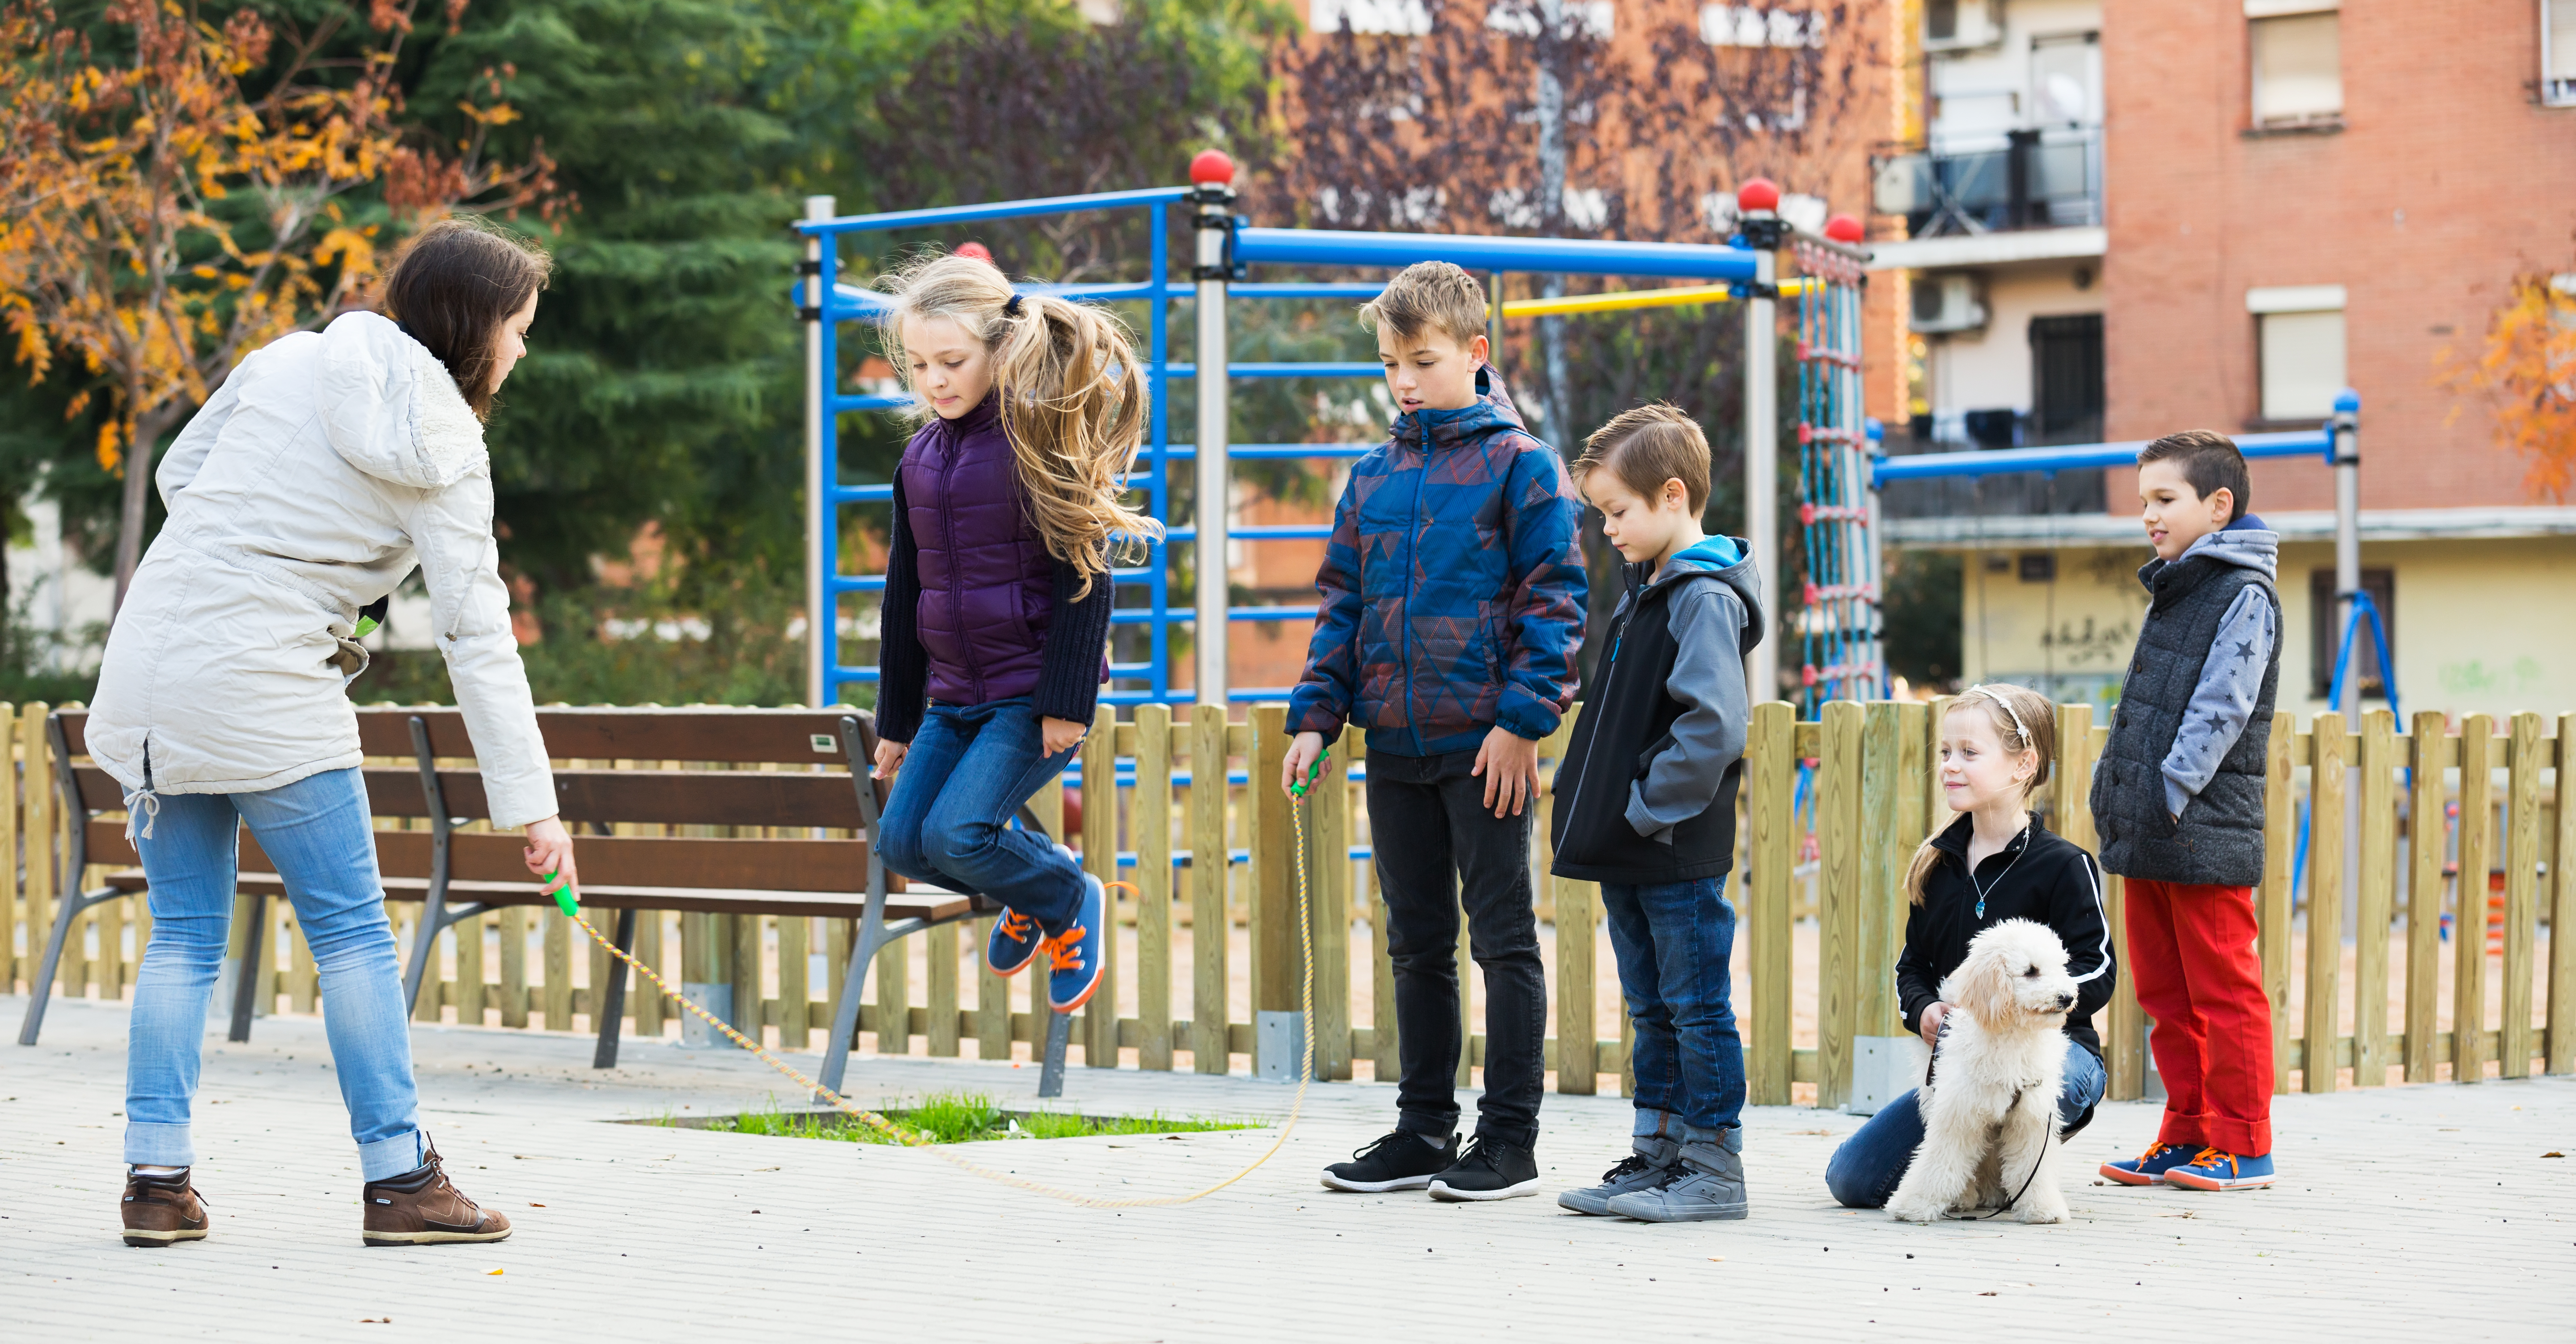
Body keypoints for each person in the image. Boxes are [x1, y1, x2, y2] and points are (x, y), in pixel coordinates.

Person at [90, 218, 574, 1248]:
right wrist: (532, 806)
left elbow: (181, 477)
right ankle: (400, 1178)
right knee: (351, 933)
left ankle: (156, 1184)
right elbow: (475, 637)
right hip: (265, 686)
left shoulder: (289, 358)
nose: (524, 353)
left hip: (153, 662)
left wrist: (265, 558)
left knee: (180, 935)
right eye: (520, 330)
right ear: (474, 327)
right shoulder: (447, 449)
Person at [1293, 261, 1587, 1203]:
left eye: (1422, 361)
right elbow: (1343, 606)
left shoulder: (1524, 466)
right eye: (1390, 365)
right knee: (1414, 943)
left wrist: (1519, 725)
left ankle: (1509, 1142)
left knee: (1502, 940)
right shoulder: (1372, 474)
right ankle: (1423, 1131)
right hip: (1394, 745)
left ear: (1476, 353)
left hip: (1485, 748)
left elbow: (1557, 602)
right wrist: (1316, 719)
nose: (1405, 382)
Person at [867, 253, 1156, 1020]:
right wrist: (896, 720)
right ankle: (1028, 890)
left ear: (1000, 349)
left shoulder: (1040, 442)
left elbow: (1086, 569)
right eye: (921, 365)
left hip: (1030, 695)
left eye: (953, 361)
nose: (935, 380)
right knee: (902, 842)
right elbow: (903, 593)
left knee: (959, 834)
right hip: (953, 698)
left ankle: (1063, 892)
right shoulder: (919, 460)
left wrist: (1066, 701)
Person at [1548, 404, 1763, 1222]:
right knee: (1651, 1005)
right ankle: (1659, 1154)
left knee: (1696, 1004)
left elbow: (1712, 724)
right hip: (1634, 847)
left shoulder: (1701, 596)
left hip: (1670, 845)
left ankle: (1712, 1165)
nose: (1608, 528)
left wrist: (1642, 812)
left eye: (1618, 511)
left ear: (1673, 496)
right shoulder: (1650, 591)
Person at [1825, 683, 2117, 1209]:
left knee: (2062, 1086)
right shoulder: (1935, 865)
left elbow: (2098, 969)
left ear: (2022, 764)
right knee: (1852, 1180)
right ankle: (1977, 1163)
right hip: (1963, 1062)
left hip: (2056, 1051)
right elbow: (1910, 967)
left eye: (1969, 753)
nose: (1950, 766)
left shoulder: (2065, 866)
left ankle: (2019, 1164)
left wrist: (2030, 1004)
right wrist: (1924, 1011)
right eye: (1945, 753)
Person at [2093, 431, 2282, 1192]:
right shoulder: (2180, 585)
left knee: (2223, 988)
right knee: (2167, 992)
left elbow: (2221, 708)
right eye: (2144, 502)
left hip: (2198, 819)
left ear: (2219, 505)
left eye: (2164, 500)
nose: (2149, 515)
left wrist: (2169, 791)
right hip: (2152, 821)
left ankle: (2245, 1141)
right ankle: (2189, 1133)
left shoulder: (2243, 593)